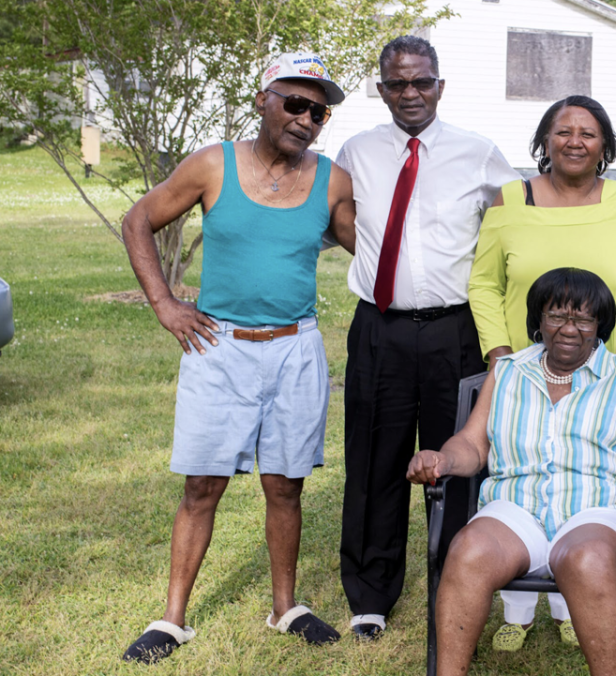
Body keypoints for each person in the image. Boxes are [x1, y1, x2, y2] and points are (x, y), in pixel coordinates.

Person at [119, 52, 356, 663]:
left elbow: (374, 245)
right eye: (294, 102)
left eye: (318, 111)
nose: (305, 118)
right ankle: (172, 619)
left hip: (296, 348)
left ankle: (285, 607)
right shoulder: (211, 165)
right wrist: (165, 304)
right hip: (218, 346)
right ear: (263, 99)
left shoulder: (331, 181)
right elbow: (139, 218)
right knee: (203, 484)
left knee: (286, 485)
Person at [408, 268, 616, 676]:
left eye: (583, 319)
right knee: (467, 550)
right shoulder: (508, 370)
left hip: (602, 510)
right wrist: (442, 459)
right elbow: (473, 445)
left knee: (585, 558)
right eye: (557, 316)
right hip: (517, 509)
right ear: (538, 320)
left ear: (600, 325)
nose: (569, 329)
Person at [468, 95, 616, 650]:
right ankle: (520, 608)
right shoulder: (510, 200)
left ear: (605, 144)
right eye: (563, 131)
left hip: (601, 374)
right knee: (527, 469)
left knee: (587, 473)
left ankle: (575, 600)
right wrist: (501, 358)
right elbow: (483, 284)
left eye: (588, 132)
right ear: (544, 140)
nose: (575, 141)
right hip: (524, 372)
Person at [336, 34, 521, 640]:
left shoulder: (478, 152)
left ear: (440, 85)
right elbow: (341, 219)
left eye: (420, 82)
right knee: (374, 458)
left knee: (460, 459)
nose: (409, 93)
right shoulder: (355, 151)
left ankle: (458, 584)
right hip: (379, 328)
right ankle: (370, 595)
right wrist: (375, 264)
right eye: (396, 83)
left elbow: (520, 219)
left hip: (454, 329)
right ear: (382, 88)